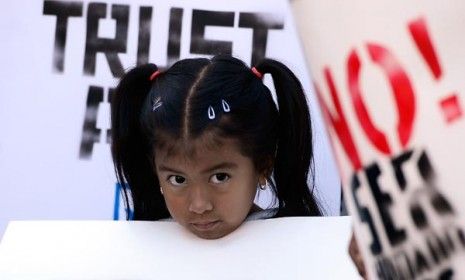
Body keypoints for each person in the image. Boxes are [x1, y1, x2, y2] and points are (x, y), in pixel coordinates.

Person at [110, 55, 322, 239]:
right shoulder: (141, 256)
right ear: (155, 171)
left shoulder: (303, 253)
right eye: (178, 179)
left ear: (263, 166)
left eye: (220, 177)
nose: (200, 205)